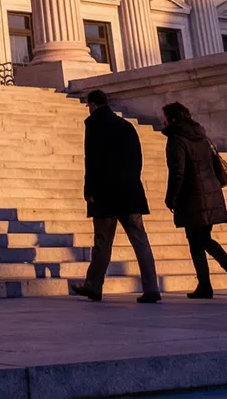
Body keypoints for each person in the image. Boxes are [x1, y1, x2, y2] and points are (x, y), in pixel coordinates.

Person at [72, 89, 162, 304]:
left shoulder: (95, 125)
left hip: (105, 193)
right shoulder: (126, 126)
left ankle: (94, 285)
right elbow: (138, 159)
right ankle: (151, 288)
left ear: (93, 104)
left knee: (102, 242)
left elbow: (92, 160)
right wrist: (132, 182)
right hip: (130, 191)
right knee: (140, 241)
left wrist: (89, 191)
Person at [160, 101, 227, 299]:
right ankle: (205, 285)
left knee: (199, 239)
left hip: (193, 197)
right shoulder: (200, 135)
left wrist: (171, 197)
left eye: (164, 117)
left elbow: (178, 172)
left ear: (172, 118)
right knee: (198, 240)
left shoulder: (176, 139)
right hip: (210, 192)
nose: (162, 120)